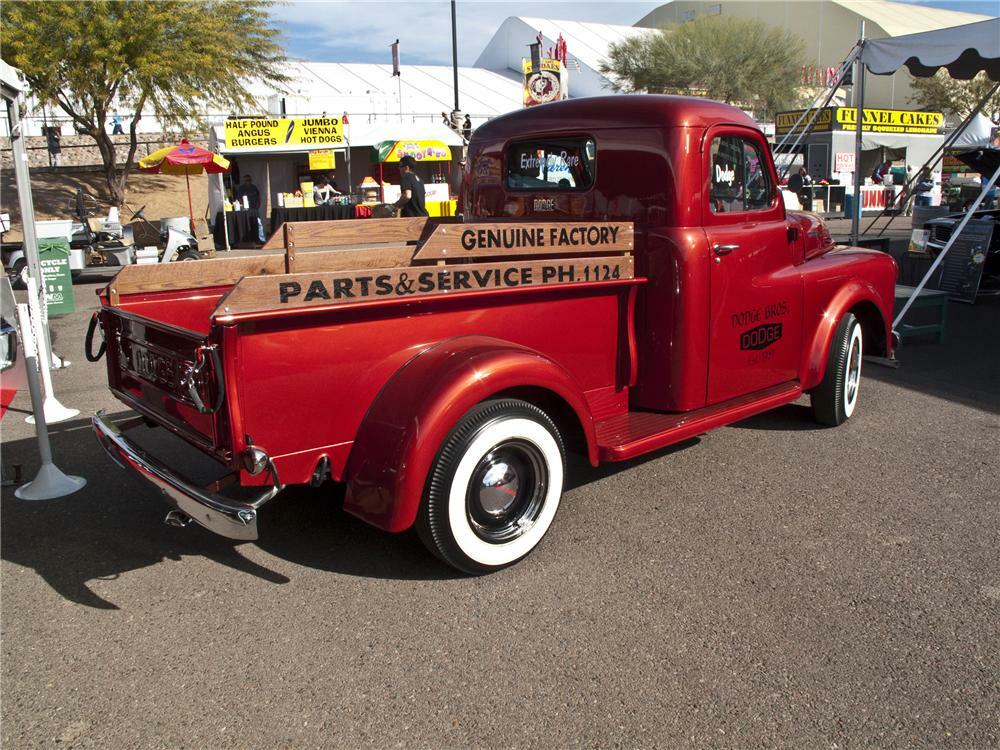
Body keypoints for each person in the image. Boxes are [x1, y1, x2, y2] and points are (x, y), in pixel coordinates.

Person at [234, 174, 265, 242]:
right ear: (244, 181)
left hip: (254, 209)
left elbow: (258, 195)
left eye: (249, 180)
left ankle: (261, 239)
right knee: (247, 224)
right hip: (245, 210)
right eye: (246, 180)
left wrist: (259, 204)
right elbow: (238, 198)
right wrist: (242, 205)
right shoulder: (241, 188)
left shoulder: (254, 187)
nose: (248, 181)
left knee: (258, 223)